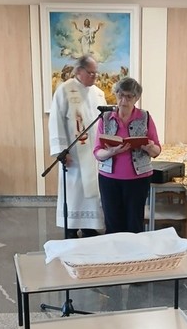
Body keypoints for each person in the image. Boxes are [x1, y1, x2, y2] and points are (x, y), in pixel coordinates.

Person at [48, 55, 107, 238]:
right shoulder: (64, 90)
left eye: (96, 73)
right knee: (73, 192)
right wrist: (61, 150)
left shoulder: (98, 93)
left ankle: (90, 226)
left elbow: (104, 122)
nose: (94, 76)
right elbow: (56, 121)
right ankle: (71, 228)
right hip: (73, 153)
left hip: (94, 153)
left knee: (93, 191)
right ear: (79, 71)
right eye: (90, 73)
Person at [93, 77, 161, 234]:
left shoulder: (145, 117)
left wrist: (149, 147)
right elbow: (97, 152)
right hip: (109, 179)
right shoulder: (105, 118)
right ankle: (114, 251)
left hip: (138, 180)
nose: (123, 100)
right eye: (120, 95)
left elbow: (157, 151)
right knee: (112, 224)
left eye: (129, 96)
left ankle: (134, 251)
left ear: (136, 98)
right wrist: (111, 152)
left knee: (134, 224)